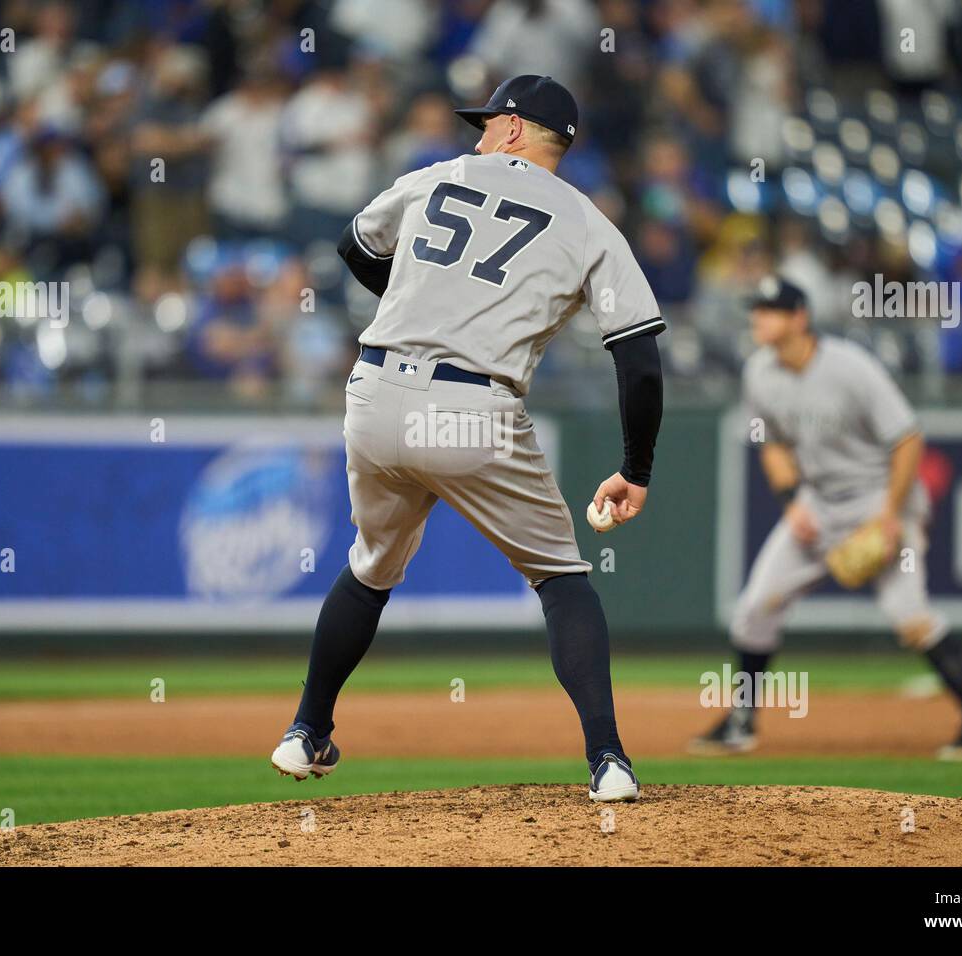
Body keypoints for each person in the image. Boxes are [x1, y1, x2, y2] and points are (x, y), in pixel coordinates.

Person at [269, 75, 666, 802]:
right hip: (470, 408)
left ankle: (304, 731)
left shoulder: (438, 176)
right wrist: (635, 469)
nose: (479, 134)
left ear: (515, 130)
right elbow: (638, 358)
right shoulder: (587, 222)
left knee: (369, 567)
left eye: (489, 122)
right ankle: (608, 761)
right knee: (560, 578)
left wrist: (421, 298)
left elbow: (353, 245)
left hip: (375, 392)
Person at [690, 276, 962, 760]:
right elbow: (770, 441)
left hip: (879, 498)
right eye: (757, 309)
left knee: (910, 618)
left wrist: (889, 515)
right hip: (818, 503)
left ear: (800, 318)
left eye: (770, 310)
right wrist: (792, 501)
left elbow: (907, 439)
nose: (759, 318)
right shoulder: (759, 371)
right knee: (755, 607)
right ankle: (740, 720)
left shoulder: (851, 368)